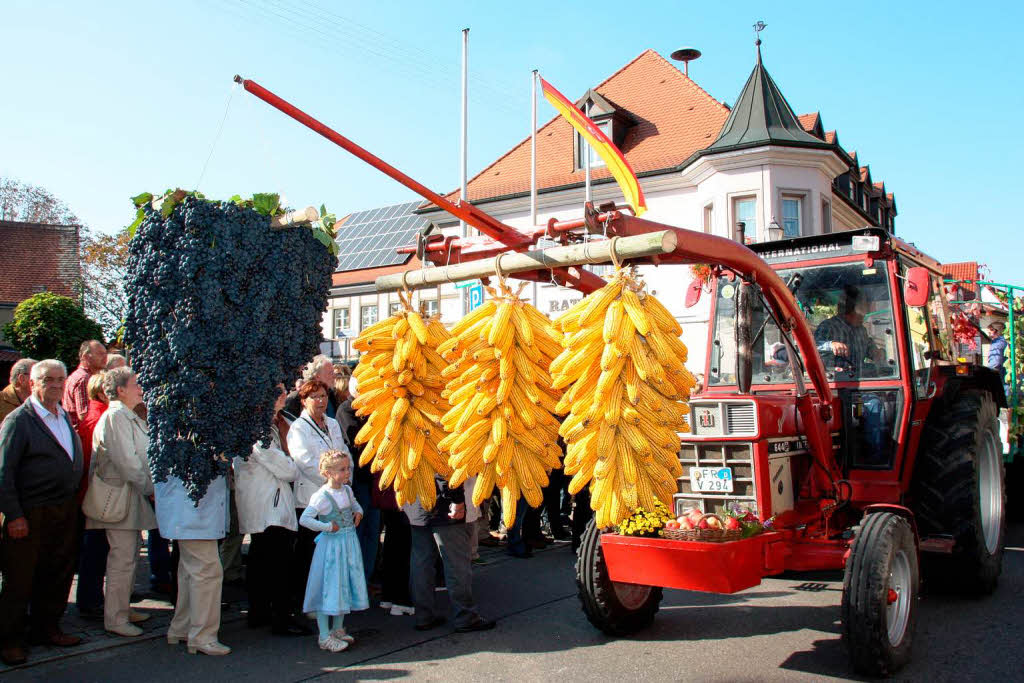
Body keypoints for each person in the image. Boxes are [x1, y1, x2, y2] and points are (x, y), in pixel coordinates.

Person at [0, 359, 84, 666]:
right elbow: (3, 472)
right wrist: (14, 515)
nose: (57, 384)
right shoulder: (19, 420)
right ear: (32, 383)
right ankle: (9, 640)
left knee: (57, 573)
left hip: (62, 509)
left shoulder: (62, 415)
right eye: (48, 379)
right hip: (29, 512)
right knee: (19, 579)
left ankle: (47, 628)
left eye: (61, 379)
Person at [85, 366, 155, 637]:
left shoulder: (126, 416)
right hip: (121, 497)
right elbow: (129, 463)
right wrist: (152, 488)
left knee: (128, 557)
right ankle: (115, 618)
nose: (141, 388)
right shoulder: (116, 417)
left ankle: (122, 609)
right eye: (136, 383)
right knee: (121, 559)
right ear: (121, 390)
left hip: (130, 496)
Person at [234, 384, 308, 636]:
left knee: (263, 562)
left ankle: (262, 613)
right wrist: (293, 463)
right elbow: (288, 469)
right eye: (276, 392)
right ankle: (279, 619)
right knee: (276, 564)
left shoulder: (269, 425)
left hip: (269, 504)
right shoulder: (257, 430)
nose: (283, 395)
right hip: (268, 506)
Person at [155, 458, 231, 655]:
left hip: (192, 514)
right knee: (207, 572)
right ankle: (202, 637)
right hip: (193, 515)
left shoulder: (178, 433)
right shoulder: (191, 432)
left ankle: (182, 627)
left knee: (190, 573)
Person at [403, 474, 494, 633]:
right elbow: (445, 469)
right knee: (456, 564)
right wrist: (457, 499)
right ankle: (466, 617)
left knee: (421, 562)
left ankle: (424, 616)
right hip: (443, 505)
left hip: (416, 500)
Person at [287, 379, 349, 614]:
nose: (321, 401)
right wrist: (332, 481)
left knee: (331, 554)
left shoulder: (332, 424)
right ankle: (307, 602)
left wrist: (345, 475)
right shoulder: (299, 428)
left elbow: (343, 452)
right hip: (312, 498)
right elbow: (305, 462)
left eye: (324, 396)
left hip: (337, 496)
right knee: (309, 553)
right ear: (304, 401)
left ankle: (330, 599)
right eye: (315, 397)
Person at [299, 450, 368, 652]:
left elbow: (356, 505)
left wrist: (359, 512)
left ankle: (338, 628)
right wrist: (328, 527)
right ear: (328, 472)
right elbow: (305, 519)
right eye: (342, 469)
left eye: (348, 468)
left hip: (348, 543)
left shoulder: (346, 490)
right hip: (331, 548)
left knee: (343, 583)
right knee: (329, 587)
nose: (347, 473)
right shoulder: (321, 496)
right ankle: (323, 634)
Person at [74, 372, 110, 619]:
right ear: (100, 392)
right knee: (95, 553)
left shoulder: (95, 415)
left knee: (95, 552)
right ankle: (90, 602)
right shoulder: (99, 417)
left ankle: (92, 600)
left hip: (92, 492)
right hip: (96, 494)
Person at [813, 287, 881, 376]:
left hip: (861, 381)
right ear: (854, 308)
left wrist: (878, 354)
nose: (866, 313)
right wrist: (831, 345)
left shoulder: (861, 330)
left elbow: (871, 351)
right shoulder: (828, 326)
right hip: (837, 383)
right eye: (865, 308)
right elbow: (812, 347)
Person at [373, 471, 414, 616]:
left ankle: (389, 595)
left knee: (392, 543)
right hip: (400, 489)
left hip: (388, 489)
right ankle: (400, 600)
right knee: (402, 547)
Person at [62, 340, 107, 428]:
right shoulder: (84, 379)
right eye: (100, 354)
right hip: (84, 435)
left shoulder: (80, 375)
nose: (105, 357)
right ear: (85, 356)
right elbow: (84, 415)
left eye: (105, 353)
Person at [285, 356, 338, 421]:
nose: (334, 376)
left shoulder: (332, 395)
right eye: (331, 373)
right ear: (318, 376)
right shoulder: (296, 399)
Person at [0, 358, 36, 425]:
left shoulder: (45, 401)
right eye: (37, 376)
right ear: (22, 379)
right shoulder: (1, 400)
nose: (43, 380)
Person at [987, 321, 1009, 395]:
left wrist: (986, 370)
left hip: (1004, 377)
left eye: (989, 332)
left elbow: (996, 362)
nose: (989, 335)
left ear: (994, 331)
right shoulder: (1008, 340)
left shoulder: (997, 343)